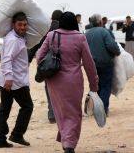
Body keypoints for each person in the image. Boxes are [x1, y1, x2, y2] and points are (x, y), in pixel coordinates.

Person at [36, 12, 98, 153]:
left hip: (54, 81)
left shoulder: (51, 35)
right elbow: (89, 64)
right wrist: (94, 85)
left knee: (61, 112)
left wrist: (47, 69)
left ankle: (66, 140)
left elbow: (39, 56)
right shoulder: (80, 38)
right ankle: (69, 145)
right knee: (74, 114)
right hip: (73, 82)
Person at [0, 12, 33, 148]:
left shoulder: (15, 37)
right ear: (13, 24)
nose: (22, 27)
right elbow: (6, 59)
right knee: (27, 106)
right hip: (14, 81)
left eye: (24, 25)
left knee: (4, 108)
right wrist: (9, 78)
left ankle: (0, 139)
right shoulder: (13, 40)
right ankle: (17, 134)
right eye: (19, 24)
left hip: (6, 79)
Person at [28, 10, 63, 124]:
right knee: (62, 90)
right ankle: (61, 114)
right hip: (61, 65)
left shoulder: (45, 30)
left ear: (51, 18)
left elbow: (35, 46)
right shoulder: (65, 29)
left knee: (49, 88)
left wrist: (28, 60)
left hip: (47, 65)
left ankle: (52, 114)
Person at [86, 13, 120, 115]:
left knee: (96, 86)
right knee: (105, 86)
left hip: (91, 65)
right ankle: (103, 109)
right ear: (100, 22)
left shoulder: (86, 34)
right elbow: (112, 46)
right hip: (105, 64)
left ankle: (95, 108)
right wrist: (117, 52)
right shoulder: (104, 32)